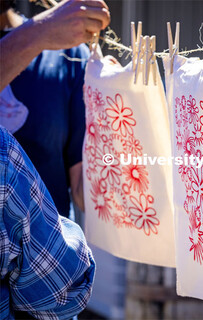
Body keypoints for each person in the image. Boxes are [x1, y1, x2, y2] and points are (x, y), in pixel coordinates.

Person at [0, 0, 110, 217]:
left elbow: (84, 194)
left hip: (47, 248)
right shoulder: (45, 35)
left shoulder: (67, 55)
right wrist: (37, 33)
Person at [0, 125, 96, 319]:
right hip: (44, 259)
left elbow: (82, 194)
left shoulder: (70, 93)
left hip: (40, 241)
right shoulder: (3, 149)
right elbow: (55, 291)